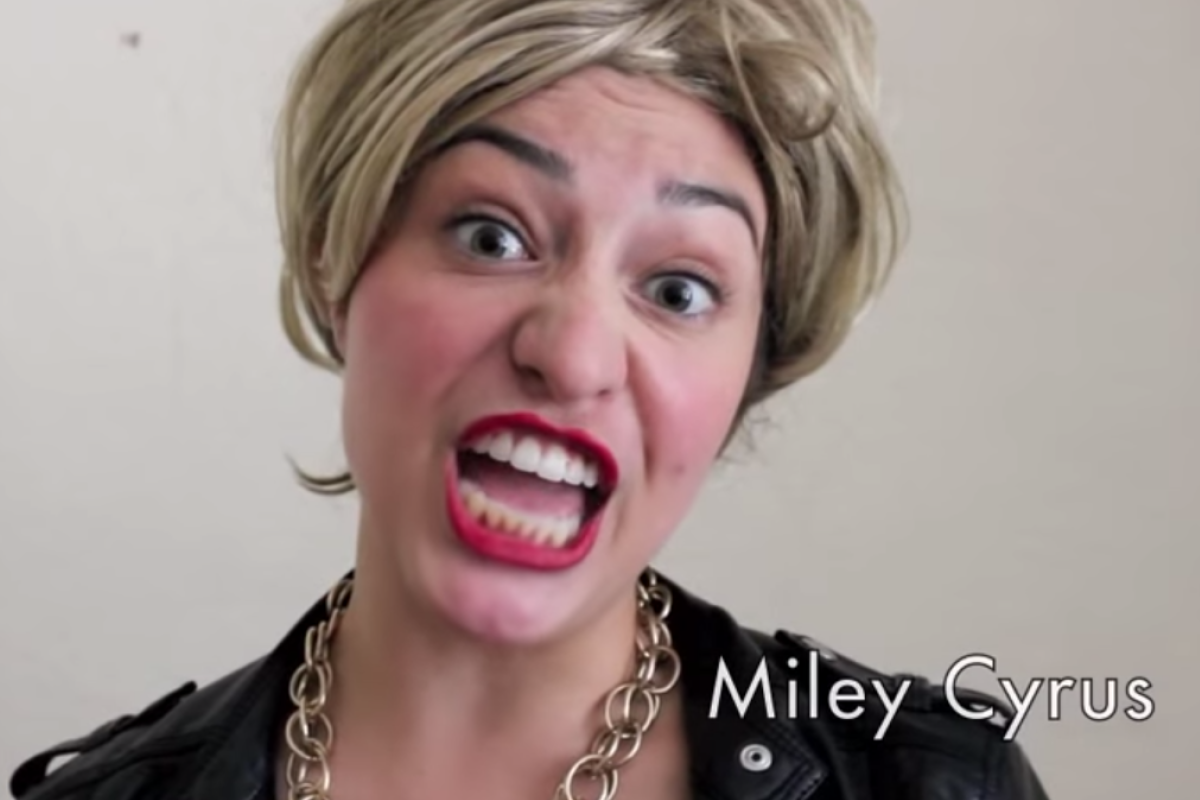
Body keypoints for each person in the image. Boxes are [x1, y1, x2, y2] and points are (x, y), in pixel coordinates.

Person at [10, 0, 1051, 798]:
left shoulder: (933, 780)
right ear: (337, 257)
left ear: (750, 372)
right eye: (491, 235)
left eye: (679, 290)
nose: (574, 352)